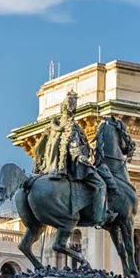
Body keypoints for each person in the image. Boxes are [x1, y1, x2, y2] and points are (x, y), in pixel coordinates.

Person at [33, 91, 118, 228]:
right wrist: (86, 160)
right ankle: (100, 217)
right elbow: (74, 150)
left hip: (56, 167)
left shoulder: (56, 124)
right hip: (76, 167)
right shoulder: (71, 126)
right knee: (100, 185)